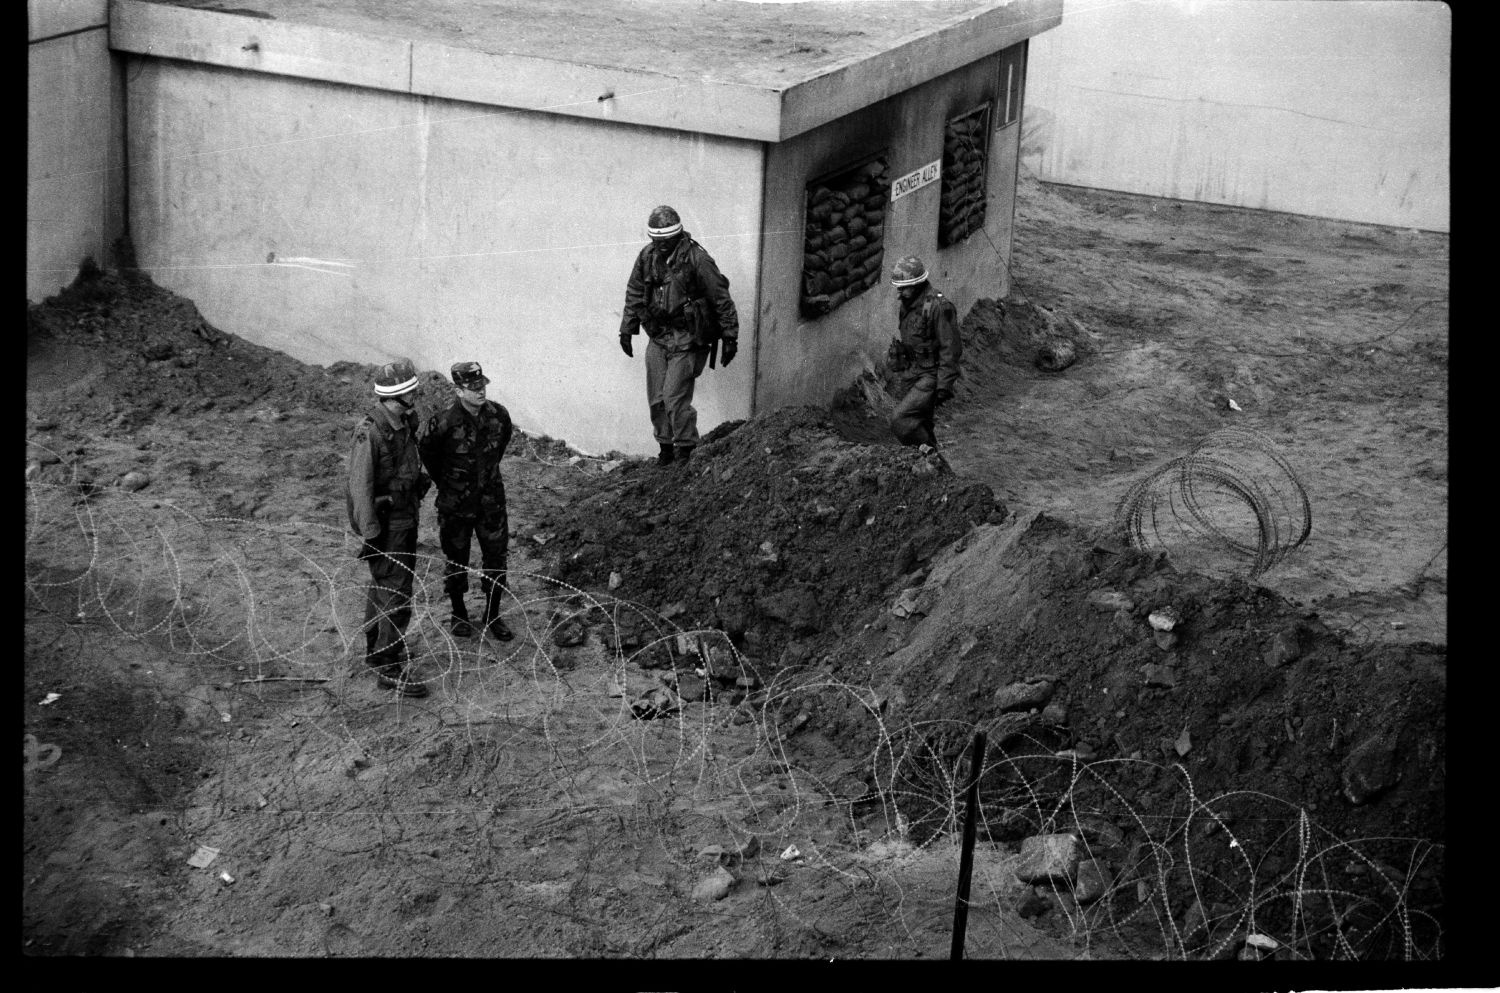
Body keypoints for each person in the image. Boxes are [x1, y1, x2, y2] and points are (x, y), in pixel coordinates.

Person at [618, 205, 740, 466]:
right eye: (656, 240)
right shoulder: (647, 257)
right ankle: (665, 449)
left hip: (687, 338)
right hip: (658, 336)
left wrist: (730, 337)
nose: (661, 245)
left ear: (677, 235)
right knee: (656, 399)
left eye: (666, 240)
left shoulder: (697, 259)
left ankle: (685, 449)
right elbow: (635, 292)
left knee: (675, 397)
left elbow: (721, 298)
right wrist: (627, 329)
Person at [347, 358, 431, 697]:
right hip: (387, 526)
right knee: (395, 592)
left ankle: (380, 650)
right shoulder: (372, 432)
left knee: (385, 588)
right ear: (401, 394)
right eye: (412, 390)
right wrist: (372, 535)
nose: (417, 394)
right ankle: (388, 666)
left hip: (404, 518)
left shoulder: (403, 422)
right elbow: (360, 488)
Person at [418, 361, 516, 642]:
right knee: (456, 559)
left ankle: (493, 614)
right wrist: (450, 484)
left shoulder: (499, 415)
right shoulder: (443, 422)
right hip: (455, 505)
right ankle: (459, 613)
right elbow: (428, 454)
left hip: (491, 503)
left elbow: (500, 448)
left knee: (496, 558)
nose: (480, 391)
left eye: (482, 385)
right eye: (473, 388)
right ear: (459, 391)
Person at [885, 255, 961, 452]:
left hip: (930, 375)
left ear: (918, 284)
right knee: (921, 423)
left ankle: (929, 455)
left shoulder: (938, 307)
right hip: (913, 372)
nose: (899, 291)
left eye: (904, 286)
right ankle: (932, 465)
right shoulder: (907, 304)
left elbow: (950, 349)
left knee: (900, 420)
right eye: (898, 287)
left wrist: (944, 385)